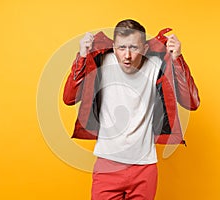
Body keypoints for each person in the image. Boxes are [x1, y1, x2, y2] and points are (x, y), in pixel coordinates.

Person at [63, 19, 200, 200]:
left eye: (134, 48)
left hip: (144, 167)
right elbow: (69, 98)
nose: (127, 55)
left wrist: (177, 59)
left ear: (144, 48)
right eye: (121, 48)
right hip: (107, 166)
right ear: (113, 47)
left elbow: (192, 102)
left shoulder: (157, 66)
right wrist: (81, 56)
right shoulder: (101, 63)